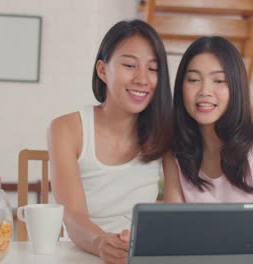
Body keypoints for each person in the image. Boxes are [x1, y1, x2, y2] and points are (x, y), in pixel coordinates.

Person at [162, 36, 253, 255]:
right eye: (193, 80)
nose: (205, 91)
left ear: (236, 87)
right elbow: (174, 225)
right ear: (181, 88)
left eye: (219, 81)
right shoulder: (175, 150)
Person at [47, 20, 172, 264]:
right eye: (129, 65)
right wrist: (102, 243)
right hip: (80, 255)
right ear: (103, 70)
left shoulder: (165, 131)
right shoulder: (65, 129)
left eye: (153, 69)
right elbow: (72, 215)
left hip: (141, 256)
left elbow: (176, 206)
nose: (142, 79)